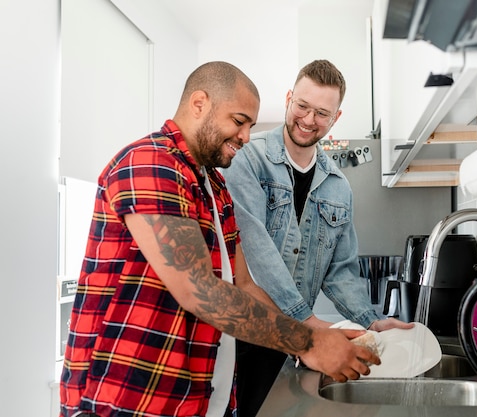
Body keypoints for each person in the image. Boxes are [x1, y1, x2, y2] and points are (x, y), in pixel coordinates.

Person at [59, 61, 380, 417]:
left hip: (195, 395)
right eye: (239, 121)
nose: (245, 136)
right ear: (199, 104)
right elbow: (198, 288)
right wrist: (307, 342)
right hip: (128, 394)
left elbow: (243, 284)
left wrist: (316, 335)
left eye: (250, 126)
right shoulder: (150, 164)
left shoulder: (214, 186)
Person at [221, 59, 413, 417]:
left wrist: (371, 321)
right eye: (303, 106)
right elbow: (254, 248)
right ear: (289, 99)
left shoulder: (339, 187)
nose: (309, 120)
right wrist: (307, 322)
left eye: (322, 113)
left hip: (295, 342)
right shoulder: (248, 158)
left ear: (336, 117)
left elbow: (340, 271)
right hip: (244, 336)